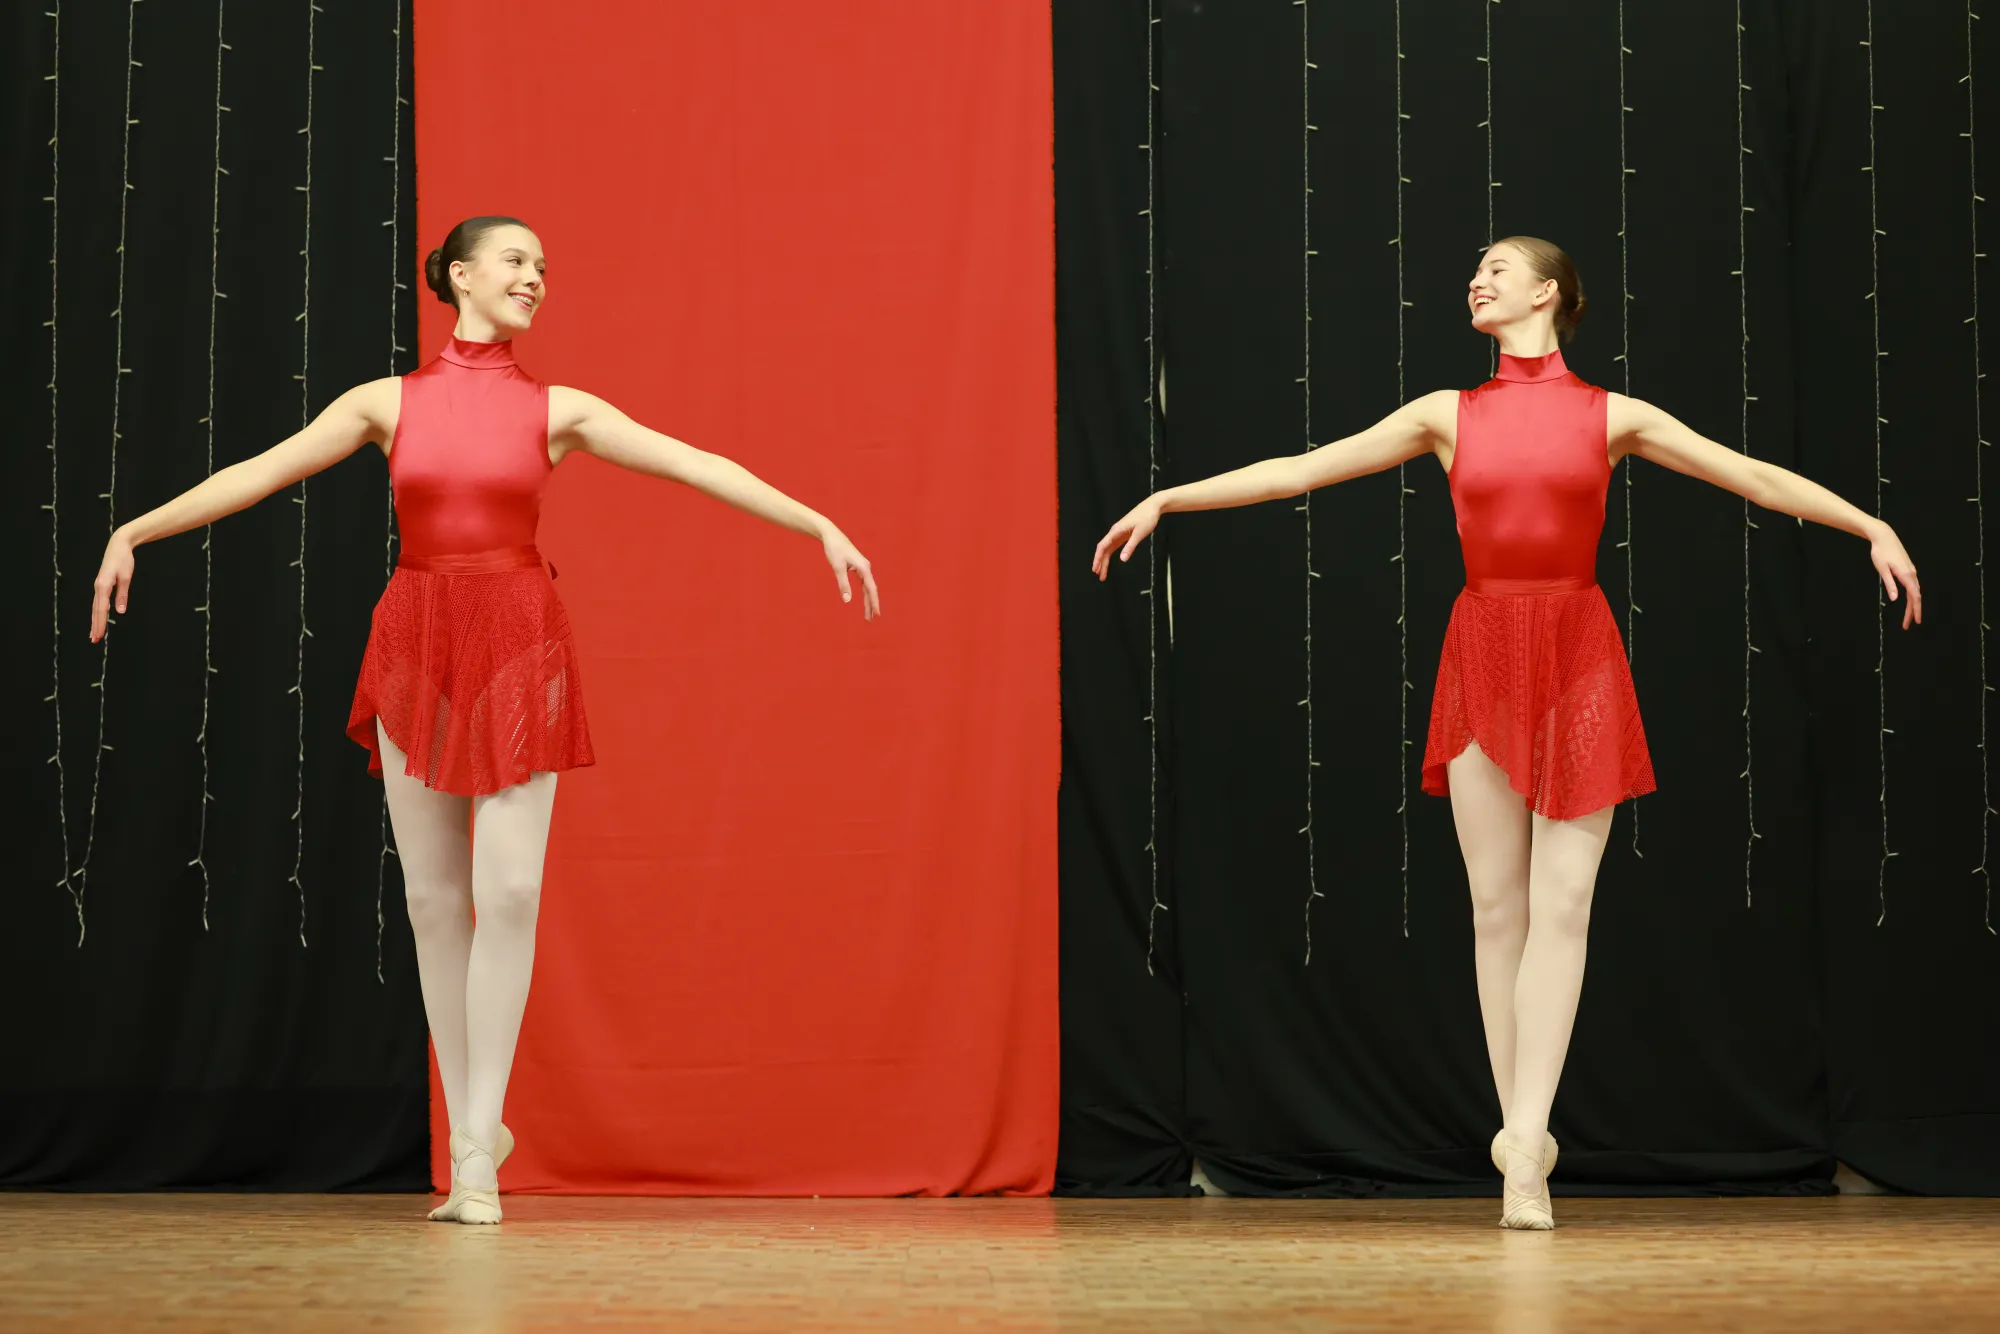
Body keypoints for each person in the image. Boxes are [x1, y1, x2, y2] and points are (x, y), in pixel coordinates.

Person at [1091, 235, 1920, 1229]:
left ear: (1548, 292)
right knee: (1498, 909)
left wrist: (1869, 525)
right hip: (1482, 645)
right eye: (1474, 272)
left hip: (1577, 652)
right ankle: (1520, 1136)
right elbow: (1298, 472)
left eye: (1496, 268)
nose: (1475, 280)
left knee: (1562, 903)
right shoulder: (1446, 414)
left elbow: (1752, 476)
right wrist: (1168, 496)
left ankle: (1523, 1141)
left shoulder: (1612, 415)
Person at [89, 215, 880, 1224]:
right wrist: (136, 528)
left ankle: (475, 1143)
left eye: (543, 266)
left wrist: (816, 522)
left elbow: (694, 462)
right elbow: (261, 470)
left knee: (508, 889)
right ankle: (476, 1146)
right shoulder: (385, 402)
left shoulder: (561, 409)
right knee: (432, 899)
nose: (535, 277)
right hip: (415, 635)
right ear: (459, 275)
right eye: (516, 260)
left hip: (517, 636)